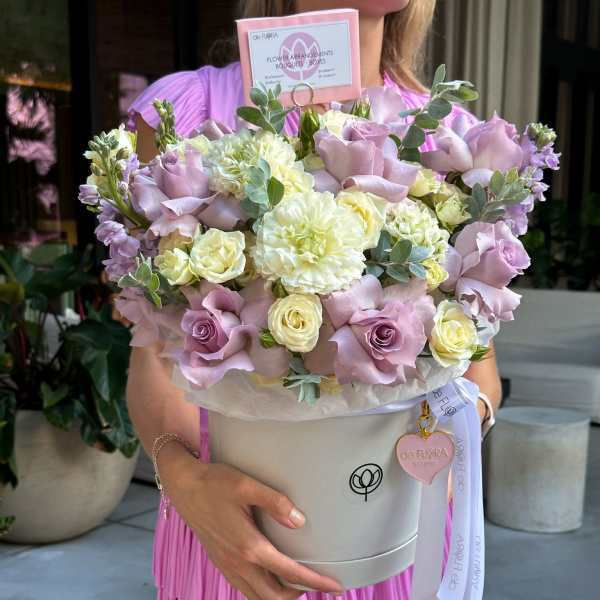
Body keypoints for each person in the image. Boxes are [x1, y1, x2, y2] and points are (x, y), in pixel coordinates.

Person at [126, 1, 503, 598]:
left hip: (398, 531)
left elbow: (477, 369)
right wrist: (185, 478)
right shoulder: (189, 112)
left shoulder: (452, 136)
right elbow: (153, 347)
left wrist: (446, 446)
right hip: (233, 534)